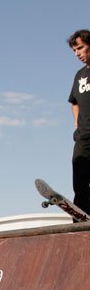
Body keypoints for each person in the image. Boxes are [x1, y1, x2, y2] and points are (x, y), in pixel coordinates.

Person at [68, 29, 90, 215]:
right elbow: (74, 102)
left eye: (80, 48)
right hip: (83, 136)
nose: (77, 54)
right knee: (80, 183)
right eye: (75, 50)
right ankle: (82, 223)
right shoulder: (79, 75)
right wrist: (76, 125)